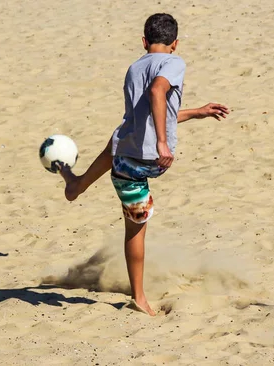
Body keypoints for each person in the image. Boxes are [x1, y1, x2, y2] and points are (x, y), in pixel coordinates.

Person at [57, 13, 230, 316]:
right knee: (137, 230)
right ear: (174, 43)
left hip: (125, 157)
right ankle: (138, 297)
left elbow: (147, 115)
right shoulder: (174, 62)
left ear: (144, 42)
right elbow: (157, 92)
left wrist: (196, 112)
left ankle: (77, 184)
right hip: (148, 160)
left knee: (121, 144)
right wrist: (163, 142)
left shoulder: (135, 67)